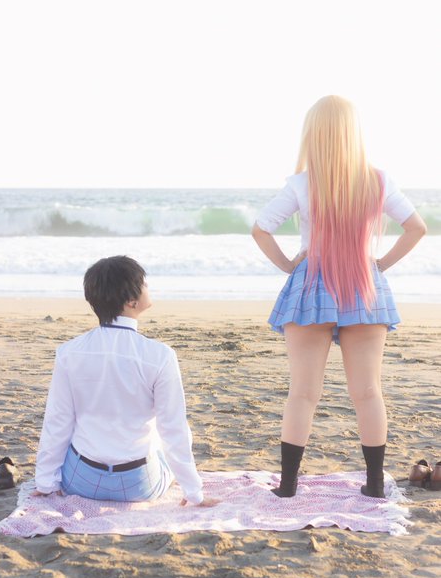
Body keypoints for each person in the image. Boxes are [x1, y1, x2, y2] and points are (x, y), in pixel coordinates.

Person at [252, 95, 427, 499]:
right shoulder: (378, 180)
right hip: (364, 286)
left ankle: (288, 487)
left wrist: (288, 265)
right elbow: (416, 227)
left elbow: (261, 228)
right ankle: (375, 484)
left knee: (302, 393)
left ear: (313, 134)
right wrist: (379, 265)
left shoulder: (301, 183)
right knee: (368, 392)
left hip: (311, 287)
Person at [34, 255, 218, 508]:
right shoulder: (160, 355)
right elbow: (173, 428)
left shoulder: (68, 352)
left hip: (82, 481)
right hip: (139, 484)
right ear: (132, 301)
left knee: (76, 430)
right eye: (144, 284)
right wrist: (194, 492)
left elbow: (58, 420)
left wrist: (45, 484)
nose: (148, 288)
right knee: (162, 433)